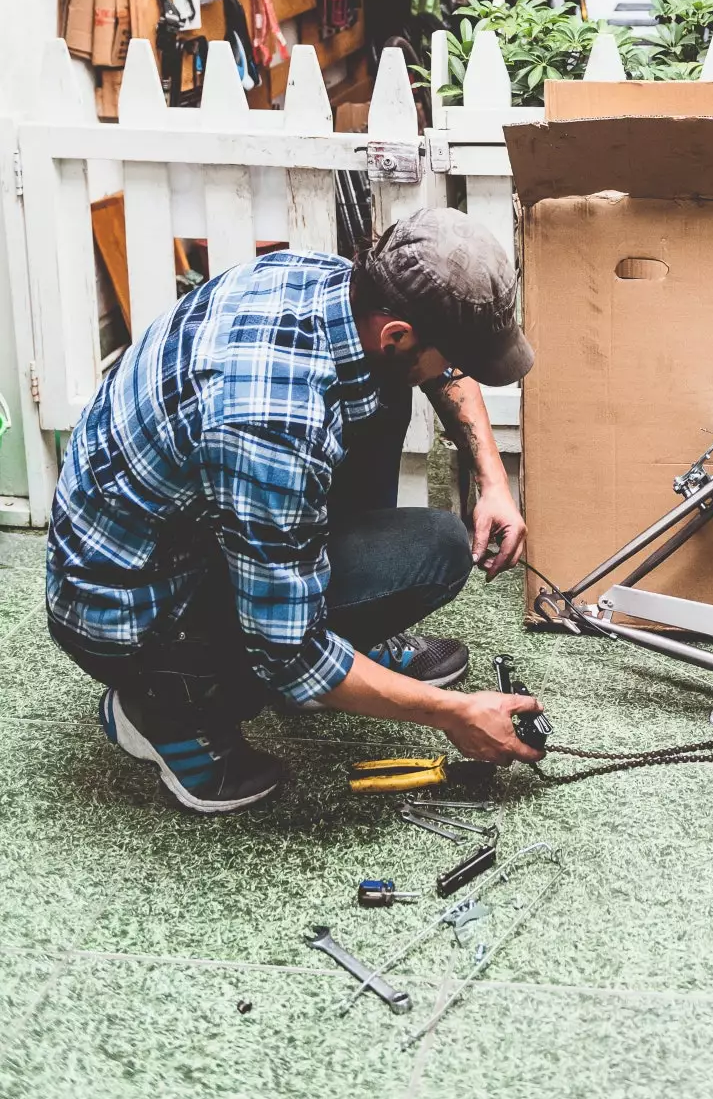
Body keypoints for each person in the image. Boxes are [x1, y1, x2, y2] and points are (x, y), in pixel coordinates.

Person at [46, 208, 546, 815]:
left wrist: (493, 480)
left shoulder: (336, 287)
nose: (460, 371)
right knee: (437, 553)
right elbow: (290, 654)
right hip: (130, 613)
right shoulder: (272, 421)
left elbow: (439, 372)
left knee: (387, 395)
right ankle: (164, 706)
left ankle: (338, 643)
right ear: (398, 334)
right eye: (455, 354)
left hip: (180, 526)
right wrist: (454, 714)